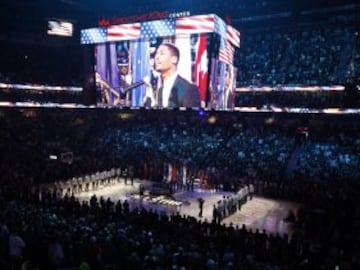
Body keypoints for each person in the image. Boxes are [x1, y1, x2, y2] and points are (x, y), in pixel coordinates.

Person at [144, 42, 201, 108]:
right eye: (156, 54)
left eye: (162, 53)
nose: (157, 57)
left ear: (174, 59)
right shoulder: (160, 90)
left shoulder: (188, 88)